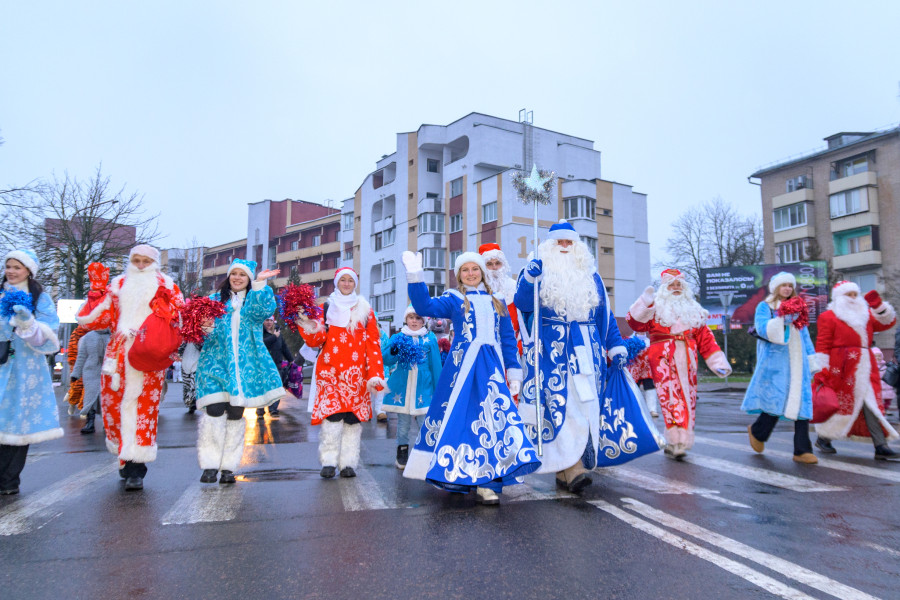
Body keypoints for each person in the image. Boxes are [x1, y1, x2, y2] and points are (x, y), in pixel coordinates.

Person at [401, 249, 539, 505]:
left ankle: (487, 483)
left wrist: (513, 371)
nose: (471, 273)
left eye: (475, 268)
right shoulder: (454, 299)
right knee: (460, 421)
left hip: (491, 371)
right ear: (459, 275)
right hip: (461, 372)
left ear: (482, 272)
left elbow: (508, 339)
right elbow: (424, 307)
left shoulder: (497, 300)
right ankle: (457, 471)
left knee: (493, 423)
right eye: (465, 270)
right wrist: (415, 277)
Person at [514, 221, 628, 493]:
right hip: (551, 354)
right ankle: (573, 467)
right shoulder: (536, 272)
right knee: (561, 408)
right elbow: (522, 305)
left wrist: (615, 345)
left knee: (586, 408)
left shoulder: (591, 276)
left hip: (588, 353)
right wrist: (529, 279)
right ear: (549, 246)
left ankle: (567, 469)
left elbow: (605, 316)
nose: (564, 247)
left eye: (569, 242)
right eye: (559, 242)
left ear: (577, 246)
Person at [77, 248, 184, 491]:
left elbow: (179, 317)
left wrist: (165, 316)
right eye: (136, 260)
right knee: (114, 409)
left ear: (154, 263)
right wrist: (96, 292)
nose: (141, 265)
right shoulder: (118, 285)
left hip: (150, 356)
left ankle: (137, 468)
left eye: (146, 261)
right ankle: (124, 459)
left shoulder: (168, 285)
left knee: (144, 411)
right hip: (117, 358)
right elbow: (94, 321)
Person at [195, 260, 285, 484]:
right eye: (233, 274)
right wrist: (206, 328)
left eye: (242, 274)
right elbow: (202, 332)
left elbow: (264, 310)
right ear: (228, 277)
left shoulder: (252, 300)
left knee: (235, 414)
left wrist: (260, 283)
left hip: (245, 367)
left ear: (248, 279)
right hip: (216, 364)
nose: (237, 278)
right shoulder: (214, 301)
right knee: (214, 410)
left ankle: (228, 466)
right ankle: (210, 464)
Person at [626, 268, 731, 459]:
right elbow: (635, 324)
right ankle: (675, 439)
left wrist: (718, 362)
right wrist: (644, 303)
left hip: (688, 358)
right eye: (671, 285)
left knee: (687, 398)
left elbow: (706, 339)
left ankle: (680, 440)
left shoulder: (694, 310)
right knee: (668, 398)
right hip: (662, 359)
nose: (676, 288)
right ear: (664, 288)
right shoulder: (655, 309)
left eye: (679, 285)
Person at [295, 267, 385, 479]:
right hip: (330, 372)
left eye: (350, 280)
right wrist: (307, 324)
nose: (346, 284)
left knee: (352, 420)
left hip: (357, 375)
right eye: (342, 280)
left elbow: (373, 344)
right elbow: (316, 341)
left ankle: (348, 463)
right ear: (336, 283)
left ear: (355, 284)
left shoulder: (366, 311)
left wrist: (375, 373)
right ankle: (328, 461)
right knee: (333, 417)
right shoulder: (325, 307)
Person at [813, 282, 899, 460]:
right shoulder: (828, 316)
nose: (852, 298)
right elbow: (822, 344)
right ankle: (824, 437)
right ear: (838, 297)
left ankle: (880, 446)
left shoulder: (866, 315)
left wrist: (878, 306)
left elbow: (887, 322)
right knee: (841, 405)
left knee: (871, 404)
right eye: (848, 294)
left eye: (855, 294)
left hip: (866, 366)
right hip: (841, 368)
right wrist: (822, 369)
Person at [0, 249, 62, 495]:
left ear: (28, 271)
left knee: (19, 424)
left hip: (26, 371)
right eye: (8, 266)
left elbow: (48, 338)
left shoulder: (40, 299)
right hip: (1, 367)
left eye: (17, 267)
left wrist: (28, 323)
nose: (11, 271)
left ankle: (9, 480)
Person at [741, 272, 819, 464]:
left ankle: (802, 450)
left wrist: (812, 360)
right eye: (783, 285)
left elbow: (805, 336)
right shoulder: (765, 306)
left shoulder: (799, 307)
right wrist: (783, 319)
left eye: (790, 286)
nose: (787, 289)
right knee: (775, 401)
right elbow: (761, 328)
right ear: (776, 287)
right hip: (775, 363)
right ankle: (758, 432)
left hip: (799, 363)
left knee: (802, 403)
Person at [382, 306, 442, 469]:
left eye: (418, 318)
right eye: (411, 317)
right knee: (403, 425)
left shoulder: (429, 338)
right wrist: (393, 350)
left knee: (425, 423)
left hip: (423, 388)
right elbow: (386, 360)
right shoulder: (398, 337)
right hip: (403, 388)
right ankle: (402, 453)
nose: (414, 321)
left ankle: (425, 454)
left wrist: (439, 390)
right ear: (406, 319)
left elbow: (435, 365)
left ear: (423, 321)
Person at [480, 243, 525, 350]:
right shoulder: (477, 290)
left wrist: (520, 342)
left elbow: (523, 318)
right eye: (489, 264)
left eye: (498, 263)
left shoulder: (514, 286)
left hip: (511, 345)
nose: (494, 267)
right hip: (484, 347)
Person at [71, 328, 111, 435]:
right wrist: (76, 373)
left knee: (107, 398)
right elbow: (82, 356)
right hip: (91, 371)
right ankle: (90, 422)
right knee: (90, 397)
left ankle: (107, 423)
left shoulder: (113, 336)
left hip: (108, 372)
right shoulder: (88, 337)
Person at [259, 315, 292, 418]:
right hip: (263, 365)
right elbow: (261, 344)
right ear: (263, 322)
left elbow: (284, 347)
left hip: (276, 364)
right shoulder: (259, 332)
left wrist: (291, 359)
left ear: (274, 322)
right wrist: (274, 337)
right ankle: (260, 410)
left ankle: (273, 409)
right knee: (263, 388)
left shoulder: (278, 333)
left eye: (271, 320)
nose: (269, 322)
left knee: (277, 387)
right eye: (266, 320)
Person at [65, 325, 89, 415]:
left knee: (87, 388)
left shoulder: (95, 331)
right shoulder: (77, 332)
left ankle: (83, 409)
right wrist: (74, 363)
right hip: (77, 363)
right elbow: (73, 348)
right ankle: (72, 402)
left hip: (90, 363)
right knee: (77, 386)